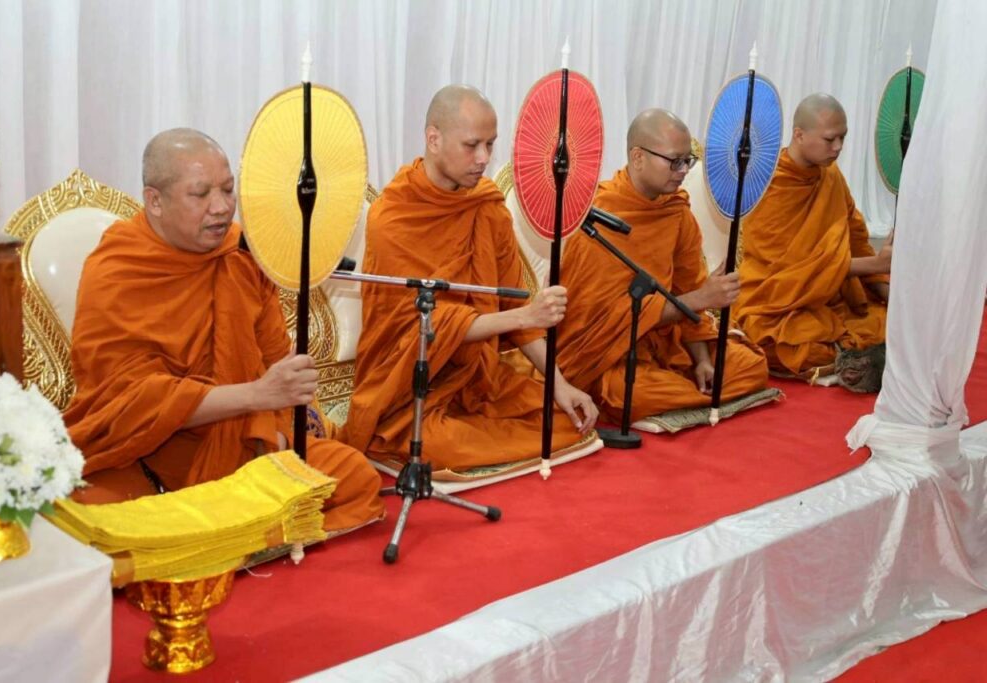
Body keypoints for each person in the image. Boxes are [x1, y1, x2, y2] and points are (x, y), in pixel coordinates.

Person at [64, 128, 383, 533]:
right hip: (152, 451)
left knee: (355, 476)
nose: (221, 207)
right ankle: (238, 529)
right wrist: (255, 395)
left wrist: (277, 430)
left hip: (245, 440)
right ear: (155, 201)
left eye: (228, 190)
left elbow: (275, 360)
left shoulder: (239, 254)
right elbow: (128, 401)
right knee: (94, 517)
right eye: (200, 194)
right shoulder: (118, 269)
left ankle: (223, 534)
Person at [339, 85, 597, 471]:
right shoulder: (393, 217)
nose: (483, 159)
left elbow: (516, 305)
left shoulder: (486, 206)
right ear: (434, 139)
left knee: (563, 420)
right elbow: (424, 327)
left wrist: (560, 386)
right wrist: (523, 317)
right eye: (472, 145)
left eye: (490, 145)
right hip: (409, 387)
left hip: (477, 377)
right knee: (444, 445)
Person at [558, 109, 769, 423]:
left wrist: (702, 360)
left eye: (687, 161)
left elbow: (688, 288)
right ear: (638, 157)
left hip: (669, 342)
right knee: (628, 392)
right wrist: (700, 299)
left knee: (751, 366)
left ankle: (692, 392)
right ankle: (691, 396)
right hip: (611, 354)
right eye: (674, 161)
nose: (682, 171)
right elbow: (599, 321)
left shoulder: (676, 212)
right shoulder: (601, 215)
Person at [734, 93, 891, 391]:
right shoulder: (769, 183)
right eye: (830, 139)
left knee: (887, 323)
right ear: (799, 135)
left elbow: (856, 238)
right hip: (776, 302)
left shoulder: (831, 176)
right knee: (788, 345)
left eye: (843, 137)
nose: (838, 147)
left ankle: (853, 357)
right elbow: (792, 270)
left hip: (830, 299)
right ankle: (855, 358)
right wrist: (875, 264)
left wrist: (886, 290)